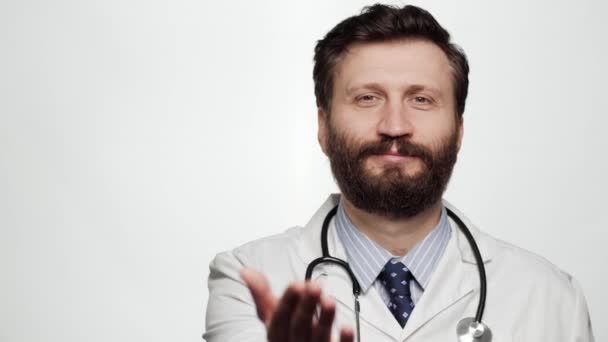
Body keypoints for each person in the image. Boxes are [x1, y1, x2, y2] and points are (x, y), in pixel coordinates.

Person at [203, 4, 595, 341]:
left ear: (458, 131)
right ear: (323, 127)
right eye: (367, 98)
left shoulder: (552, 298)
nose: (394, 125)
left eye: (421, 99)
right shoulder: (248, 279)